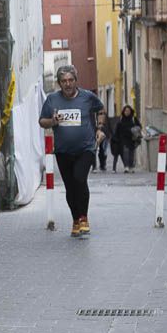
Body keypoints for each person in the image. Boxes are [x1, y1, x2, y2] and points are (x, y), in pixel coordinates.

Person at [38, 66, 106, 237]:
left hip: (86, 148)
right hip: (63, 151)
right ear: (59, 83)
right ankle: (75, 220)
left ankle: (83, 217)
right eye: (64, 81)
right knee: (70, 187)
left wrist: (100, 128)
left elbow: (101, 109)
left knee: (79, 179)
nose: (67, 84)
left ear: (76, 80)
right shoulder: (52, 100)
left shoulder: (88, 97)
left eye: (70, 80)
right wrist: (52, 121)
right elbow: (42, 121)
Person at [112, 105, 141, 173]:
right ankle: (126, 166)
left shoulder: (133, 118)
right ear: (123, 111)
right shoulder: (121, 119)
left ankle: (131, 166)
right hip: (123, 139)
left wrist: (135, 129)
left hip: (132, 138)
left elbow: (139, 126)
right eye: (125, 111)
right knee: (125, 152)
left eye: (128, 111)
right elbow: (117, 129)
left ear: (131, 111)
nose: (127, 112)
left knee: (131, 153)